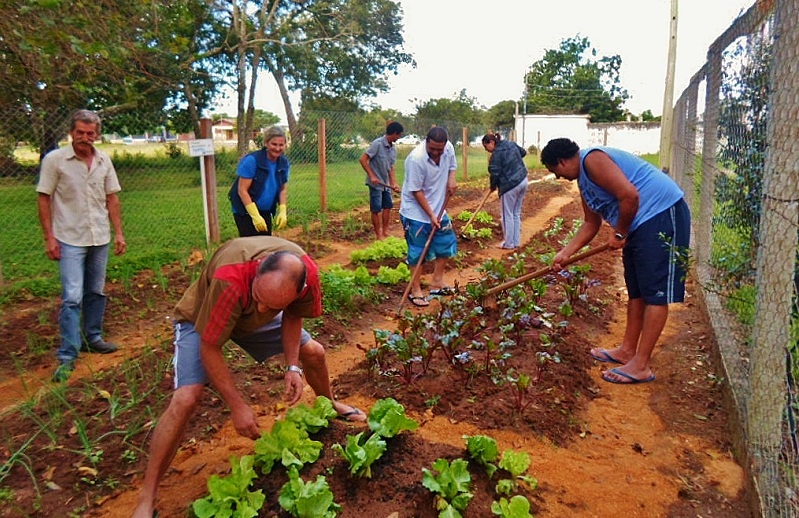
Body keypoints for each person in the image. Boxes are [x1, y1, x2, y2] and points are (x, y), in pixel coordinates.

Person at [132, 236, 365, 518]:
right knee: (186, 398)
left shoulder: (305, 277)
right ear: (257, 275)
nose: (264, 310)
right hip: (203, 318)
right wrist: (237, 405)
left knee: (314, 352)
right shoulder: (230, 279)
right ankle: (147, 496)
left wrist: (292, 366)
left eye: (273, 306)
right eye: (261, 299)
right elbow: (210, 346)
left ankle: (330, 403)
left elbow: (291, 316)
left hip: (253, 307)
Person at [540, 138, 690, 385]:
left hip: (661, 215)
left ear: (563, 161)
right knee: (637, 291)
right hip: (639, 226)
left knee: (655, 293)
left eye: (555, 171)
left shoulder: (592, 160)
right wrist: (565, 253)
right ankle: (627, 350)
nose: (557, 178)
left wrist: (620, 232)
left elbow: (629, 195)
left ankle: (641, 365)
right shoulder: (583, 181)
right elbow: (592, 223)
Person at [36, 109, 126, 383]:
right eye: (80, 133)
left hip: (99, 236)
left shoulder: (103, 160)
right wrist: (49, 237)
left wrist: (119, 233)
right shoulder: (56, 160)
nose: (84, 138)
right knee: (72, 297)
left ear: (97, 135)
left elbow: (112, 199)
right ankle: (67, 355)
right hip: (69, 237)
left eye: (90, 133)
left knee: (95, 291)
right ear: (71, 133)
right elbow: (43, 198)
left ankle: (93, 337)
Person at [399, 127, 458, 307]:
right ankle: (415, 290)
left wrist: (451, 179)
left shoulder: (448, 148)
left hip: (439, 207)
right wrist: (431, 215)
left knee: (446, 243)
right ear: (426, 141)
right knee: (418, 252)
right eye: (432, 149)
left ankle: (437, 281)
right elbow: (416, 191)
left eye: (439, 150)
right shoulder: (416, 160)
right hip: (416, 212)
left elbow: (452, 166)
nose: (436, 152)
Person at [228, 126, 290, 237]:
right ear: (266, 143)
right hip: (246, 211)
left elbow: (282, 189)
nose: (277, 148)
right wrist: (255, 216)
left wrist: (282, 210)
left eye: (281, 145)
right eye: (274, 144)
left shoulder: (283, 163)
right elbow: (242, 190)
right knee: (251, 246)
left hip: (265, 210)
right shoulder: (252, 161)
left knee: (266, 245)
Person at [481, 133, 529, 250]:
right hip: (523, 180)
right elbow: (522, 152)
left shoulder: (496, 155)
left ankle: (508, 243)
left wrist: (493, 186)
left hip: (510, 186)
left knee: (507, 214)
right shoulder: (510, 144)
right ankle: (515, 242)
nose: (487, 150)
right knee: (515, 213)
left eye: (486, 147)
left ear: (492, 142)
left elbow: (495, 173)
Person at [359, 121, 403, 240]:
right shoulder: (377, 144)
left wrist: (393, 183)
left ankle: (385, 232)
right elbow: (363, 159)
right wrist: (372, 175)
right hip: (375, 184)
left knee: (388, 206)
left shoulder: (393, 149)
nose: (399, 138)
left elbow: (391, 168)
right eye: (399, 135)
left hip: (385, 184)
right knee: (376, 208)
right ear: (394, 133)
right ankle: (378, 234)